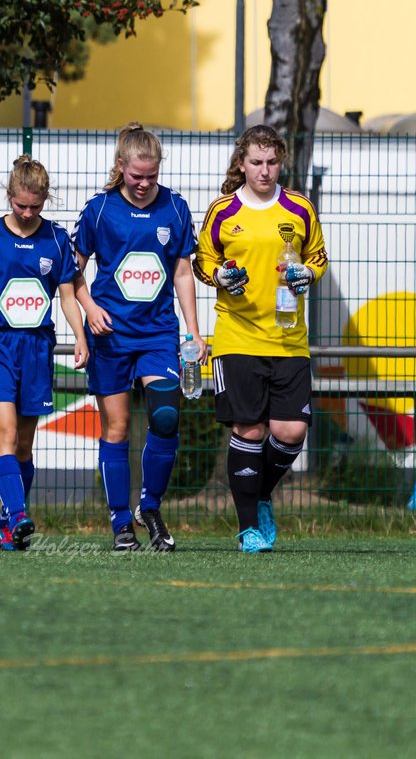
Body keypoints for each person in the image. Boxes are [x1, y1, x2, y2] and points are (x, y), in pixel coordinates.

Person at [194, 125, 329, 552]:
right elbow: (202, 261)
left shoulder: (299, 208)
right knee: (248, 430)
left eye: (272, 162)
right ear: (241, 164)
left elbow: (318, 257)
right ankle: (249, 527)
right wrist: (220, 275)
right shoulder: (222, 211)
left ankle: (261, 494)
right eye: (256, 162)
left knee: (290, 432)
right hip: (237, 336)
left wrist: (308, 273)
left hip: (289, 338)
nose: (264, 171)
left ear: (281, 162)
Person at [72, 122, 204, 551]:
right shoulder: (99, 210)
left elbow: (183, 271)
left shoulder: (176, 209)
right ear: (121, 167)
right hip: (110, 337)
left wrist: (194, 331)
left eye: (151, 175)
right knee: (118, 426)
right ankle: (119, 522)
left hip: (158, 334)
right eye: (136, 176)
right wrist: (89, 310)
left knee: (166, 417)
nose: (145, 184)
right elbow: (70, 273)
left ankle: (150, 506)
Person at [0, 156, 88, 551]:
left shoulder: (57, 238)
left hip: (38, 348)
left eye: (36, 206)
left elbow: (67, 295)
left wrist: (80, 337)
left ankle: (7, 522)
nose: (28, 213)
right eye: (21, 205)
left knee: (26, 445)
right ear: (9, 195)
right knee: (7, 435)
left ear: (45, 200)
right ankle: (17, 515)